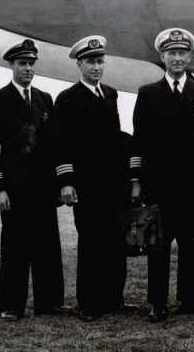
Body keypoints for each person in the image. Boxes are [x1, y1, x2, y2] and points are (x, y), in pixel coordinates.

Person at [129, 28, 194, 322]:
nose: (178, 59)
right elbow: (139, 140)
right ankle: (157, 303)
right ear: (162, 57)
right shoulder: (148, 93)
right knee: (158, 243)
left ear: (190, 56)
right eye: (172, 54)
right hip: (158, 183)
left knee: (188, 241)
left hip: (191, 180)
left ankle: (189, 300)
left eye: (182, 53)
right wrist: (136, 180)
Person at [0, 39, 66, 320]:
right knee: (15, 246)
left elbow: (54, 145)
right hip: (14, 188)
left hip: (43, 186)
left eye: (31, 63)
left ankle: (50, 302)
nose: (28, 68)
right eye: (22, 63)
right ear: (11, 65)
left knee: (47, 244)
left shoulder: (45, 99)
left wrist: (58, 182)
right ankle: (11, 305)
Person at [54, 35, 134, 321]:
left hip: (114, 183)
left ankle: (114, 299)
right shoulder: (67, 99)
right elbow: (60, 143)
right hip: (86, 185)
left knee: (115, 241)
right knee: (91, 241)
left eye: (100, 61)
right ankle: (88, 303)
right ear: (79, 64)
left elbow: (114, 138)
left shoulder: (110, 94)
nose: (96, 67)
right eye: (90, 61)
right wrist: (66, 181)